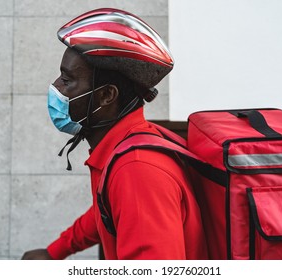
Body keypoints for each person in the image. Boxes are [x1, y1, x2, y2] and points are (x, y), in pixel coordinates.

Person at [21, 8, 207, 260]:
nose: (56, 88)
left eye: (67, 80)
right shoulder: (129, 144)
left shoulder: (137, 170)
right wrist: (55, 251)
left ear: (106, 95)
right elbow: (105, 211)